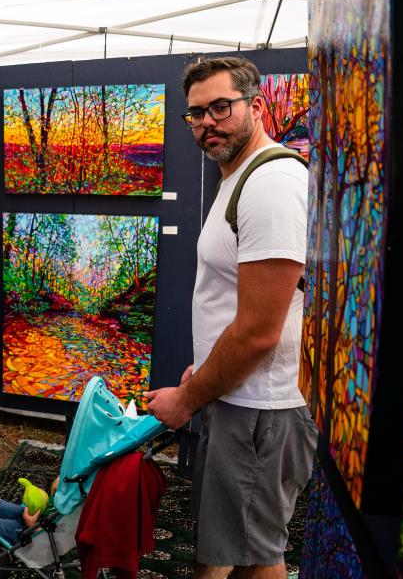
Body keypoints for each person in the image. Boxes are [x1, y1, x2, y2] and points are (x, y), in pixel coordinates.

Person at [145, 56, 318, 579]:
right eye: (195, 114)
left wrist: (187, 401)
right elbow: (236, 308)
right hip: (241, 399)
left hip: (262, 410)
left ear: (256, 106)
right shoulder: (239, 177)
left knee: (257, 557)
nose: (207, 123)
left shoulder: (270, 184)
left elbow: (259, 331)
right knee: (236, 548)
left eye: (221, 107)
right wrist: (205, 374)